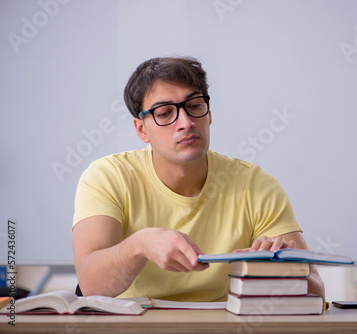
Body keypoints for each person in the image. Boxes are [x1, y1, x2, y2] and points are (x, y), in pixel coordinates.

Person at [72, 56, 324, 302]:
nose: (186, 122)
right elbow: (91, 286)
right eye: (164, 112)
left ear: (209, 113)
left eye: (194, 106)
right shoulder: (108, 176)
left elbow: (316, 290)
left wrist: (274, 270)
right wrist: (140, 244)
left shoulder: (255, 184)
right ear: (141, 129)